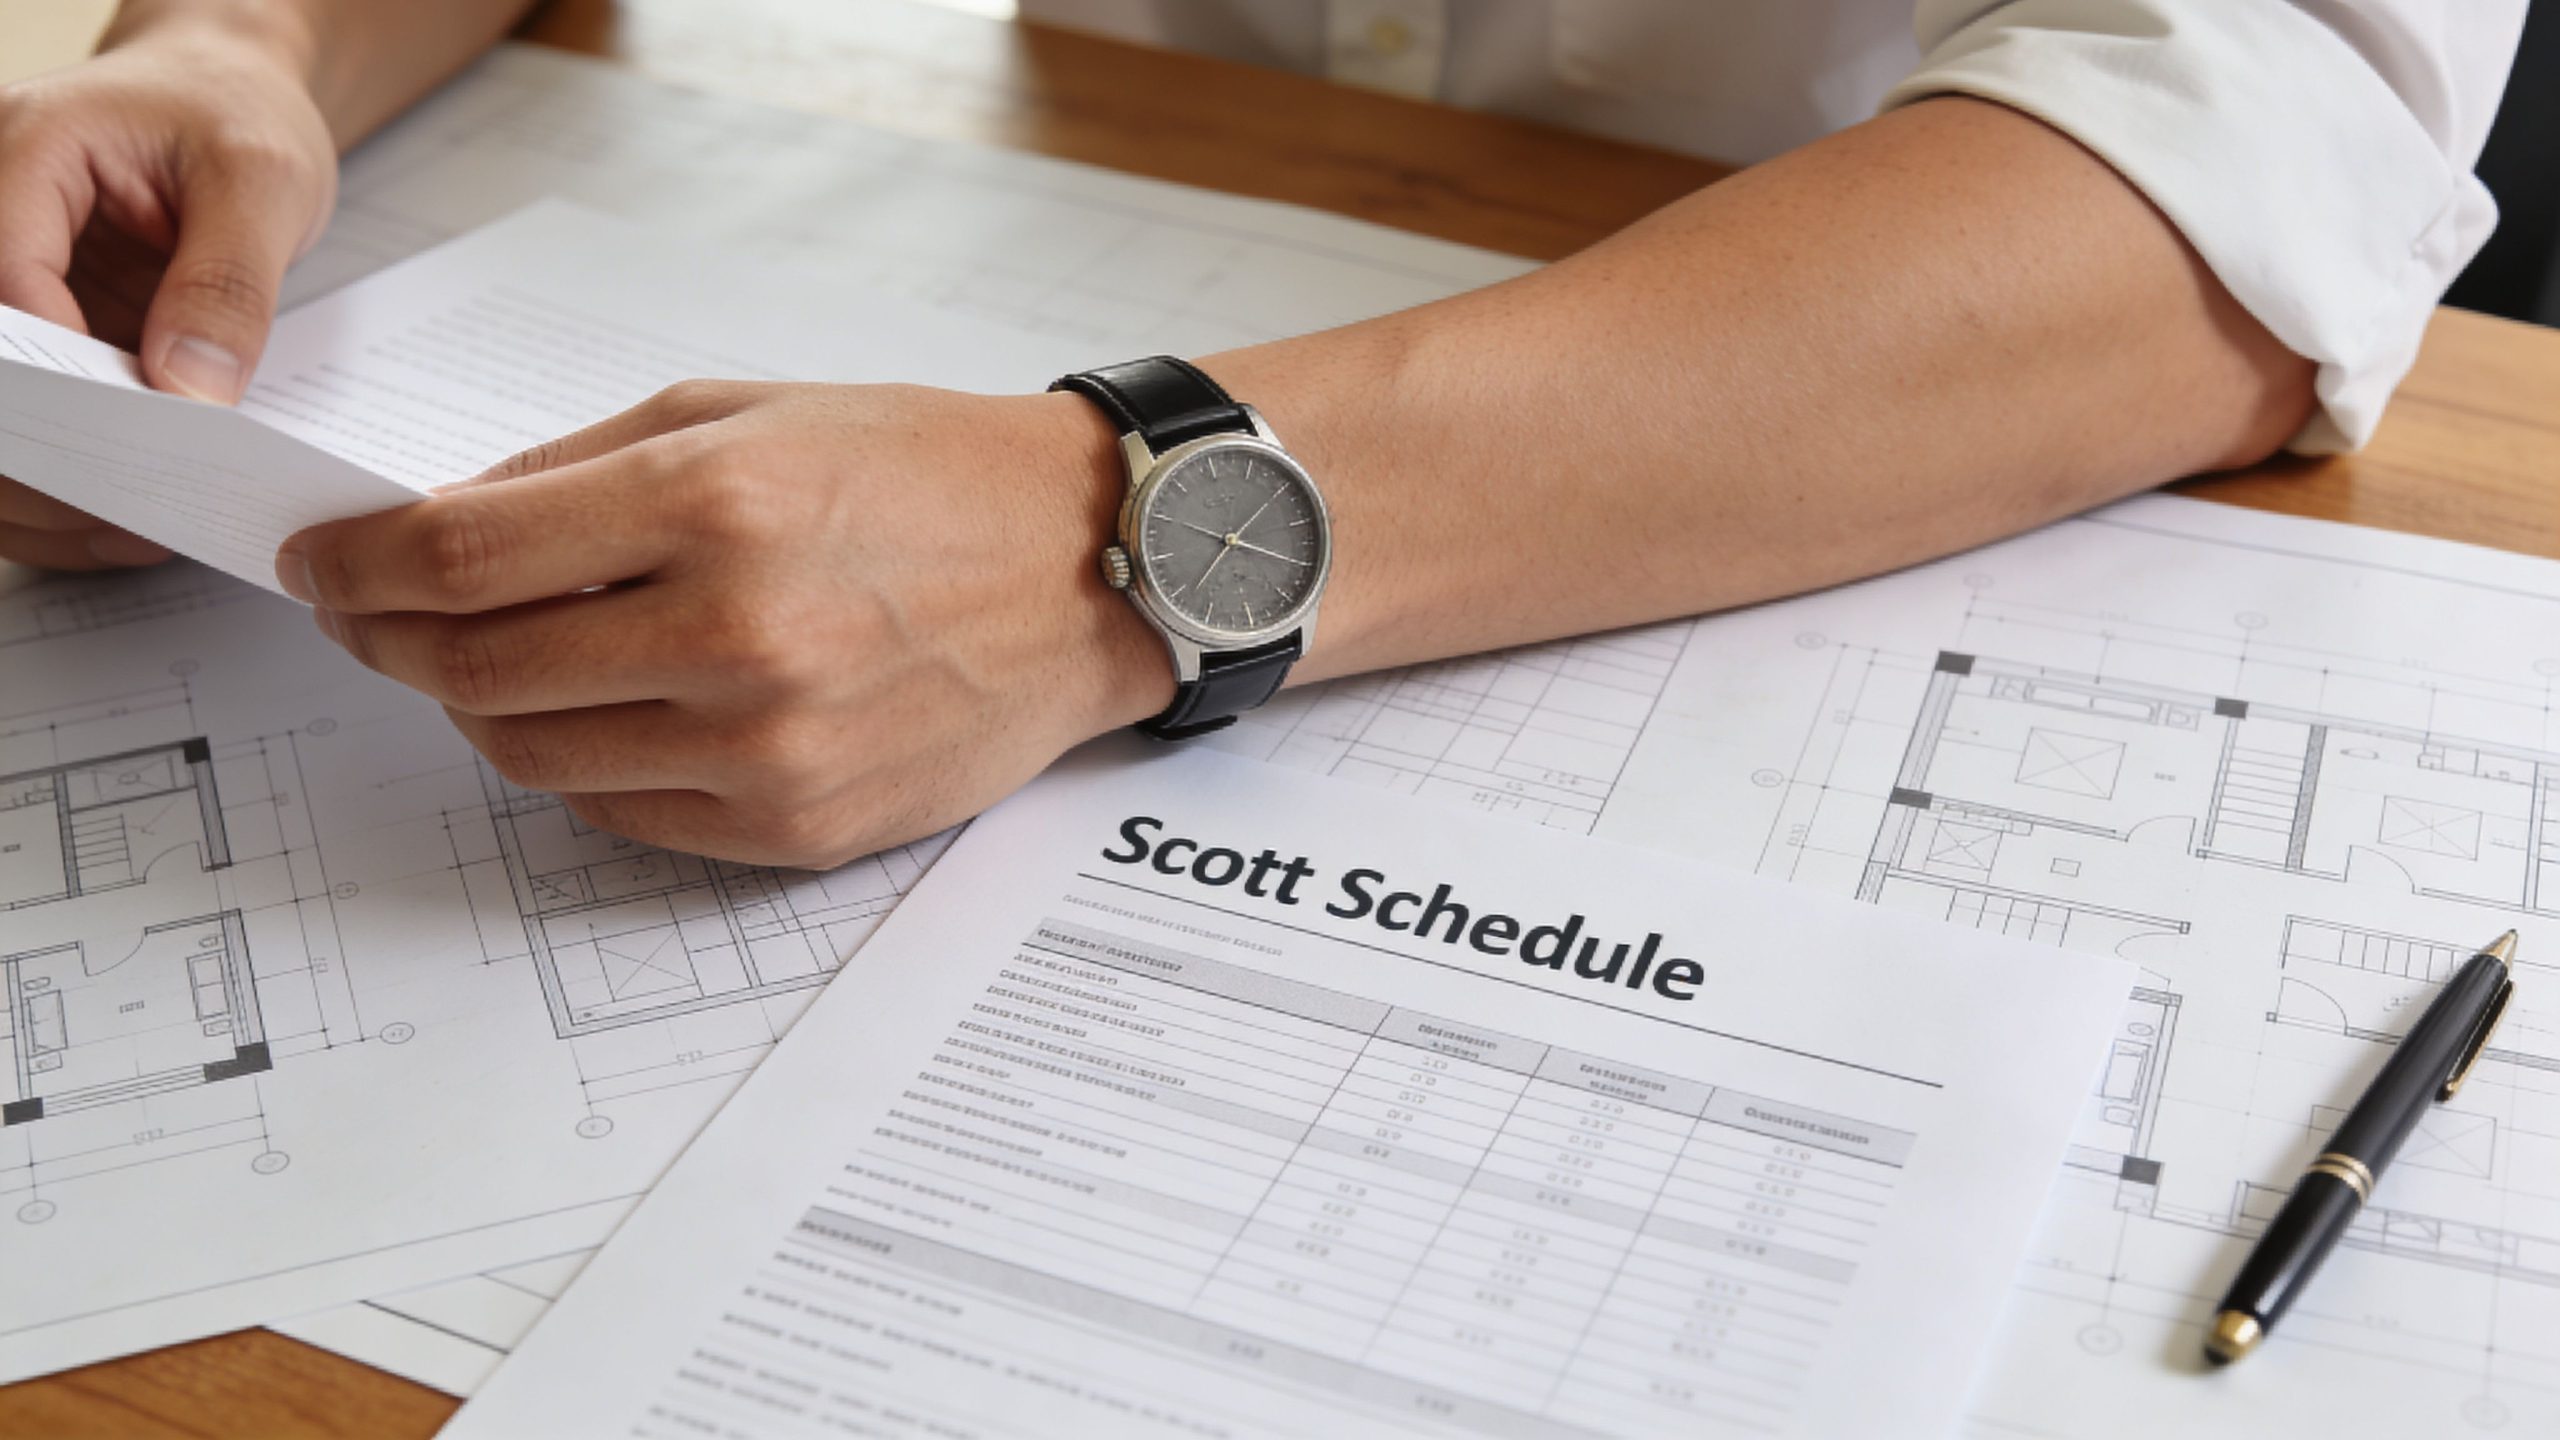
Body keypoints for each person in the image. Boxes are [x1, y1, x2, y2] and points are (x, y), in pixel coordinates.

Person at [0, 0, 2524, 865]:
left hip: (1841, 438)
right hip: (1045, 210)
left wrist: (1129, 526)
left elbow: (2236, 150)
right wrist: (251, 44)